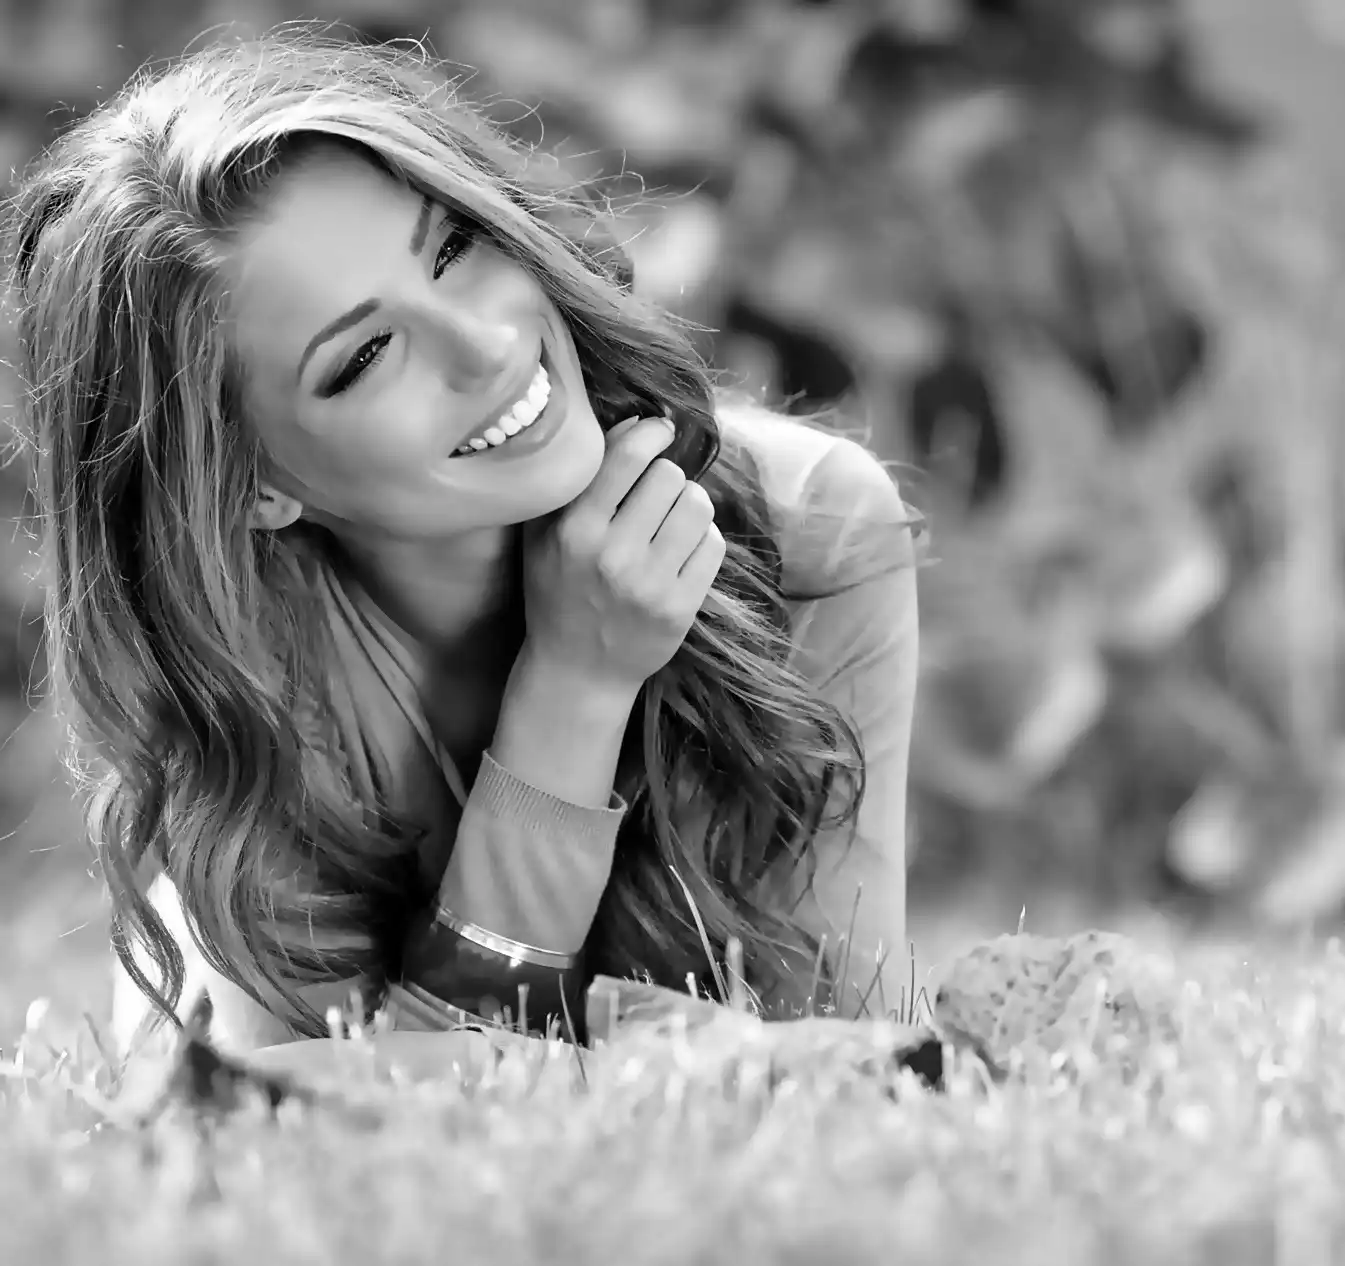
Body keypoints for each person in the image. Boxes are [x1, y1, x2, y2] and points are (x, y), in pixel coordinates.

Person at [1, 30, 921, 1072]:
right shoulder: (241, 683)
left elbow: (851, 1052)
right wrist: (573, 690)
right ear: (249, 485)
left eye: (453, 249)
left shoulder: (811, 530)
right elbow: (344, 1122)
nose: (487, 344)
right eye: (365, 356)